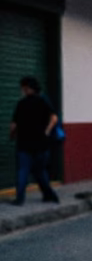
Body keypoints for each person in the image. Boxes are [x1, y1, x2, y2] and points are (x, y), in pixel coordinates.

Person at [9, 76, 60, 205]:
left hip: (24, 144)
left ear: (27, 88)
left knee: (23, 170)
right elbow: (54, 118)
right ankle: (49, 194)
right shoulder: (43, 101)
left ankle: (20, 198)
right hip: (41, 144)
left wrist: (12, 135)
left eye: (23, 88)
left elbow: (14, 125)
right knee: (40, 171)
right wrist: (47, 131)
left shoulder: (21, 104)